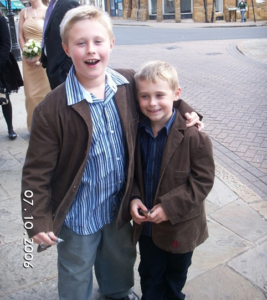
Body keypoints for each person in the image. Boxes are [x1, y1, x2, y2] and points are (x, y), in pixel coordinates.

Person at [21, 6, 202, 300]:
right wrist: (35, 220)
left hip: (120, 205)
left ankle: (117, 292)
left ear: (111, 44)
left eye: (98, 41)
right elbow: (35, 174)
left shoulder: (128, 83)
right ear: (66, 48)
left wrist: (190, 113)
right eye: (80, 43)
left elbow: (164, 96)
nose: (90, 50)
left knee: (119, 259)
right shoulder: (51, 109)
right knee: (76, 267)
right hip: (79, 213)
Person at [130, 61, 215, 300]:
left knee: (174, 279)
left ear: (176, 94)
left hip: (181, 228)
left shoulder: (194, 137)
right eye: (144, 96)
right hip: (147, 228)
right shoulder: (136, 132)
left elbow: (203, 181)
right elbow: (132, 173)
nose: (152, 103)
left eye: (160, 95)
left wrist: (169, 207)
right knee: (149, 275)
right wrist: (135, 196)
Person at [18, 0, 51, 131]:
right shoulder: (23, 12)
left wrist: (38, 55)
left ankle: (47, 127)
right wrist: (26, 53)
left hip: (42, 59)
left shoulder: (47, 10)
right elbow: (20, 36)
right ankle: (33, 127)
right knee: (30, 95)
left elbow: (47, 36)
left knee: (45, 94)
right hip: (28, 61)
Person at [40, 0, 80, 90]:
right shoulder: (53, 5)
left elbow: (78, 37)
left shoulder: (68, 3)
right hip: (54, 67)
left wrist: (68, 68)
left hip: (64, 71)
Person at [0, 10, 23, 139]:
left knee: (4, 98)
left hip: (1, 65)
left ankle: (10, 127)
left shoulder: (1, 20)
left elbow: (6, 44)